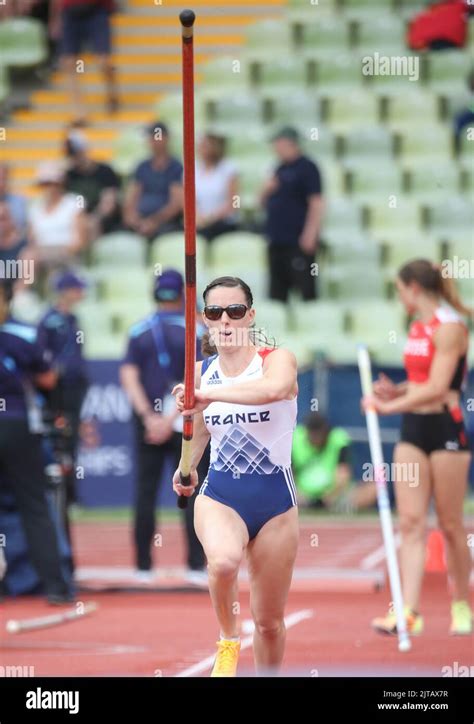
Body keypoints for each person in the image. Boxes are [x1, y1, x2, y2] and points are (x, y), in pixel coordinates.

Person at [172, 276, 299, 677]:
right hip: (221, 495)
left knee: (269, 623)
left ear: (250, 316)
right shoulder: (199, 372)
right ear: (205, 319)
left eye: (235, 311)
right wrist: (186, 468)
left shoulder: (276, 360)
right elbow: (201, 431)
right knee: (224, 563)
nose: (225, 320)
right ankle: (228, 640)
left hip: (277, 505)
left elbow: (274, 391)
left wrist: (209, 396)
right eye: (215, 312)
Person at [362, 259, 472, 636]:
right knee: (409, 523)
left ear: (413, 288)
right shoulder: (418, 327)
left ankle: (460, 602)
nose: (399, 296)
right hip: (413, 429)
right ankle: (409, 611)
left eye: (399, 289)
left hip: (445, 428)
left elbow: (440, 386)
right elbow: (419, 380)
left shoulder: (451, 327)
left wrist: (387, 406)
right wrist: (397, 391)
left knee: (451, 524)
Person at [120, 269, 207, 582]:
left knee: (145, 492)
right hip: (187, 419)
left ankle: (142, 567)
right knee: (193, 489)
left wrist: (149, 416)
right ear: (183, 294)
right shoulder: (197, 330)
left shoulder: (138, 330)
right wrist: (172, 417)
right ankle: (196, 566)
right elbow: (200, 375)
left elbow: (128, 376)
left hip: (150, 423)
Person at [0, 278, 73, 604]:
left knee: (33, 506)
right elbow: (48, 377)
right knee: (34, 506)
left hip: (17, 423)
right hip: (17, 425)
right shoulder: (25, 333)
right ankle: (56, 587)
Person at [37, 270, 89, 525]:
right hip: (58, 391)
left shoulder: (72, 318)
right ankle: (64, 495)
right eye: (77, 288)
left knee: (71, 443)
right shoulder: (50, 320)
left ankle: (71, 496)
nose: (81, 293)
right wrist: (54, 371)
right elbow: (42, 354)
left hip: (74, 388)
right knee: (62, 443)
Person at [260, 126, 324, 303]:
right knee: (277, 293)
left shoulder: (308, 167)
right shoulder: (278, 168)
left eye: (278, 144)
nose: (275, 148)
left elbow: (316, 202)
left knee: (306, 290)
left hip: (298, 241)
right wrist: (266, 190)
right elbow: (261, 203)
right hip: (277, 240)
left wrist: (311, 234)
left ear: (290, 143)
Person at [50, 0, 118, 124]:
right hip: (70, 13)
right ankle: (80, 112)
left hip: (96, 10)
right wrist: (55, 18)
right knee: (69, 63)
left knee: (103, 61)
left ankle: (111, 94)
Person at [292, 412, 376, 512]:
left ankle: (339, 507)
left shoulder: (338, 440)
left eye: (318, 433)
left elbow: (343, 473)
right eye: (312, 433)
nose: (315, 437)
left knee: (374, 488)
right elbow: (290, 474)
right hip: (303, 496)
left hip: (334, 496)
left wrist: (331, 495)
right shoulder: (295, 439)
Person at [26, 161, 88, 280]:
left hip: (66, 252)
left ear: (60, 183)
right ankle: (21, 291)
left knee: (30, 258)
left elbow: (80, 238)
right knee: (27, 257)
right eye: (45, 184)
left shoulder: (76, 200)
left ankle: (20, 291)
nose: (49, 187)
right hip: (41, 253)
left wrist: (60, 253)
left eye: (52, 183)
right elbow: (32, 238)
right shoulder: (34, 206)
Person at [123, 121, 183, 243]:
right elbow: (132, 197)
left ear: (166, 138)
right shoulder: (142, 167)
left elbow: (176, 203)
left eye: (156, 137)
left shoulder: (175, 167)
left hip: (166, 223)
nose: (152, 141)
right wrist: (134, 220)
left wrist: (154, 221)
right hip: (141, 221)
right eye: (151, 137)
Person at [64, 127, 122, 239]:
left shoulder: (105, 171)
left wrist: (93, 218)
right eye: (72, 154)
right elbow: (72, 204)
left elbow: (108, 204)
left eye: (77, 153)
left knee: (89, 226)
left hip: (104, 222)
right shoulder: (70, 176)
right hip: (79, 221)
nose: (75, 158)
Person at [195, 133, 239, 242]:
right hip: (198, 222)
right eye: (201, 144)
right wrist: (197, 217)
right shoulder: (193, 168)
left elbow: (235, 202)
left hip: (223, 223)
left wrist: (212, 217)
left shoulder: (228, 168)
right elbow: (186, 199)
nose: (201, 147)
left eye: (205, 145)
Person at [0, 163, 28, 242]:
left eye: (3, 178)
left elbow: (23, 228)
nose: (1, 183)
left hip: (13, 246)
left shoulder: (19, 202)